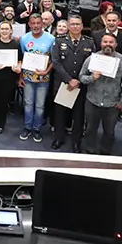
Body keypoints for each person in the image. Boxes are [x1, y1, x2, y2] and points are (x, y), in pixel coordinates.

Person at [79, 33, 122, 155]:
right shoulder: (92, 59)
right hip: (93, 101)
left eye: (111, 42)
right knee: (90, 130)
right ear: (100, 43)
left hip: (112, 104)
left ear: (116, 44)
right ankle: (90, 151)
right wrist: (92, 78)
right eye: (105, 42)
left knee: (109, 132)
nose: (107, 44)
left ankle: (105, 153)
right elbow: (81, 77)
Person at [50, 14, 95, 151]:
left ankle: (76, 141)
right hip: (64, 83)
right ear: (68, 26)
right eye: (73, 24)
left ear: (82, 26)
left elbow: (92, 64)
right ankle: (59, 138)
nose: (75, 26)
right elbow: (56, 62)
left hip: (81, 85)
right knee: (60, 113)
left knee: (79, 115)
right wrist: (69, 79)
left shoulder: (89, 42)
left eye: (78, 24)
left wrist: (79, 80)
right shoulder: (59, 41)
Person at [18, 14, 55, 142]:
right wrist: (21, 77)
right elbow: (22, 59)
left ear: (43, 24)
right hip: (28, 77)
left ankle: (37, 128)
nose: (36, 26)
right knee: (28, 104)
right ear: (29, 24)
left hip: (43, 79)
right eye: (33, 23)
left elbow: (54, 59)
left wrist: (46, 71)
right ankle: (27, 127)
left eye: (38, 23)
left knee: (40, 105)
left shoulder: (51, 39)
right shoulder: (24, 39)